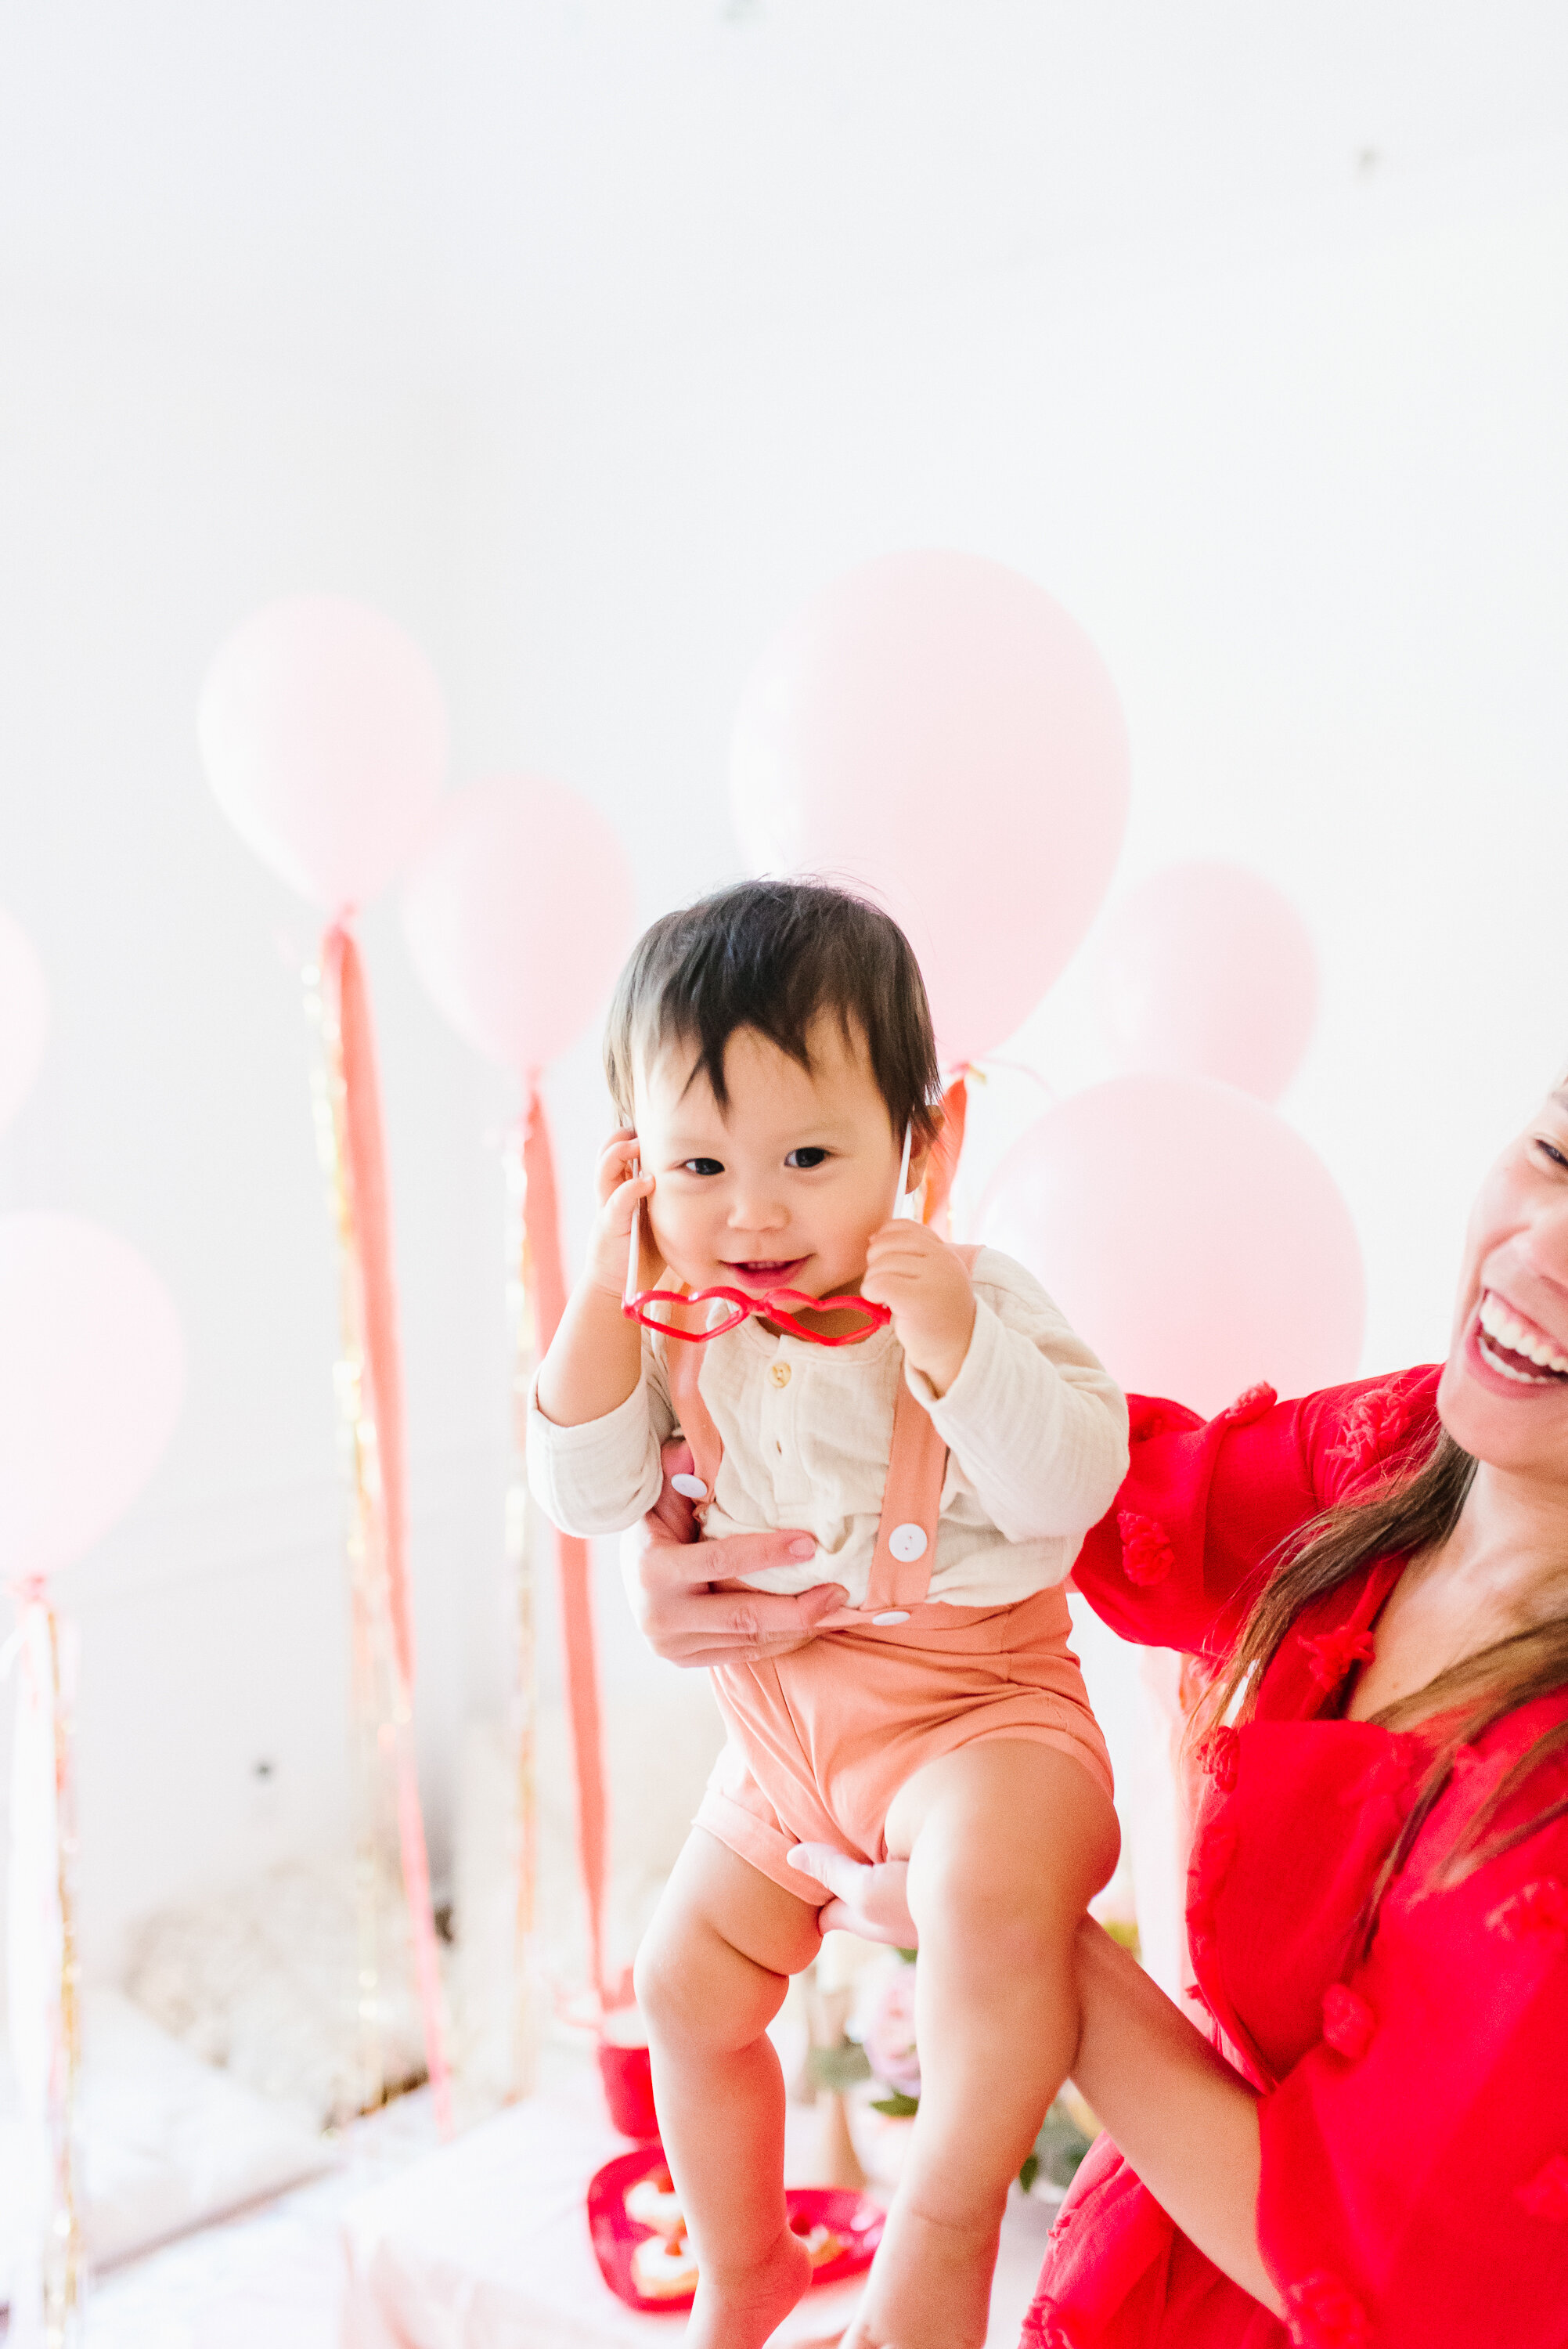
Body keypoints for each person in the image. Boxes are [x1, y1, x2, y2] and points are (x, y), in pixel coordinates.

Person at [625, 1072, 1568, 2346]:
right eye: (1559, 1151)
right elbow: (1097, 1494)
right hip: (1136, 2273)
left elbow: (1356, 2265)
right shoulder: (1389, 1458)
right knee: (679, 1980)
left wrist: (1004, 1922)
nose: (1546, 1252)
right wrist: (744, 1516)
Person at [528, 880, 1129, 2349]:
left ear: (922, 1146)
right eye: (700, 1164)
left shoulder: (972, 1294)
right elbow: (589, 1493)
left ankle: (939, 2236)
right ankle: (746, 2264)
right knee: (685, 1983)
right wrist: (602, 1292)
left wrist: (953, 1339)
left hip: (980, 1718)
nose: (754, 1210)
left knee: (990, 1895)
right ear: (637, 1173)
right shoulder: (674, 1328)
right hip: (783, 1748)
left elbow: (1071, 1487)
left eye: (808, 1154)